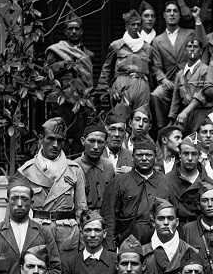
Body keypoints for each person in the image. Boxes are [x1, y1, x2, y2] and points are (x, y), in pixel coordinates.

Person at [17, 117, 87, 257]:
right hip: (38, 230)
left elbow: (81, 210)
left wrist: (83, 241)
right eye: (51, 139)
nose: (55, 144)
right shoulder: (26, 171)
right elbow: (17, 210)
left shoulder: (74, 170)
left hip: (67, 233)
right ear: (41, 139)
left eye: (60, 140)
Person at [101, 137, 163, 249]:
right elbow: (108, 217)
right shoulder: (118, 182)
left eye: (148, 155)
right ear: (132, 157)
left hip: (160, 245)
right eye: (139, 155)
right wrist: (109, 249)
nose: (144, 158)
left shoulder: (165, 183)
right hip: (127, 246)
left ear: (156, 157)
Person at [151, 3, 206, 128]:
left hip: (188, 79)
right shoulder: (157, 40)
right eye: (168, 11)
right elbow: (157, 66)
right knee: (157, 95)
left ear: (180, 15)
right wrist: (163, 79)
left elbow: (202, 42)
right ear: (164, 15)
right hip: (169, 81)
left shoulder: (189, 33)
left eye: (175, 11)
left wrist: (197, 19)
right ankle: (163, 127)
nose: (172, 14)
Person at [45, 14, 94, 154]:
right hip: (63, 101)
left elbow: (89, 78)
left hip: (80, 101)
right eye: (70, 29)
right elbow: (47, 72)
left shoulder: (88, 55)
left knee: (80, 137)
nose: (73, 32)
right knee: (60, 136)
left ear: (81, 31)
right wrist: (63, 65)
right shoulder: (56, 51)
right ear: (65, 31)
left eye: (76, 29)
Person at [97, 10, 157, 113]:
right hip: (121, 86)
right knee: (120, 117)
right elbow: (107, 68)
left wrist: (151, 90)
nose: (136, 27)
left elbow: (152, 70)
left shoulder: (147, 48)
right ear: (126, 26)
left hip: (142, 86)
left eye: (138, 24)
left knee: (141, 117)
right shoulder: (116, 46)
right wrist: (103, 89)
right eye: (132, 24)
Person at [141, 199, 197, 274]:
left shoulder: (190, 252)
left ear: (177, 222)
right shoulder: (142, 253)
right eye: (161, 218)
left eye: (170, 218)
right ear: (153, 222)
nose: (166, 223)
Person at [155, 135, 212, 224]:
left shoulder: (208, 182)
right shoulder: (166, 180)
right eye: (186, 153)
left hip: (199, 231)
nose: (190, 158)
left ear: (200, 155)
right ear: (179, 154)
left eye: (194, 154)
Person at [169, 38, 210, 133]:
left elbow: (201, 94)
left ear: (200, 51)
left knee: (197, 136)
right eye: (189, 47)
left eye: (195, 47)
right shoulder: (180, 74)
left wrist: (185, 112)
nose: (192, 49)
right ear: (185, 51)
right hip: (185, 113)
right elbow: (176, 99)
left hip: (201, 111)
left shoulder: (205, 70)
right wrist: (171, 120)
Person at [78, 124, 115, 212]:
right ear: (83, 141)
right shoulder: (74, 166)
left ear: (106, 144)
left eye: (100, 142)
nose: (95, 147)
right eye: (91, 141)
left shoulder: (108, 166)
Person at [104, 104, 133, 174]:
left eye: (120, 130)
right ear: (105, 132)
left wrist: (133, 173)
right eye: (112, 129)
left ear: (125, 134)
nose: (117, 134)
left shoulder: (132, 157)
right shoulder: (97, 155)